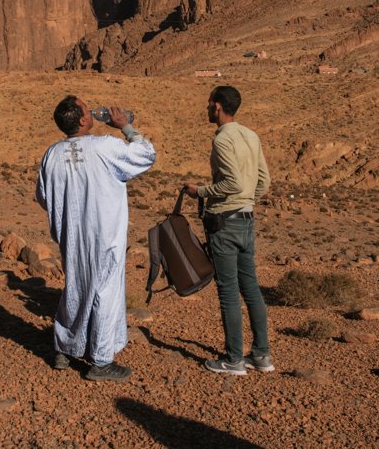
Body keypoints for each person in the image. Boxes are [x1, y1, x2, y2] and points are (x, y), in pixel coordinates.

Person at [35, 95, 156, 382]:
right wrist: (125, 127)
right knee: (105, 291)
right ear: (82, 120)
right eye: (89, 110)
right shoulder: (105, 146)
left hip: (72, 235)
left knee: (75, 284)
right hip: (104, 235)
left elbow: (43, 197)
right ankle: (101, 361)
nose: (94, 112)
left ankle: (65, 347)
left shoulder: (51, 154)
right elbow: (146, 154)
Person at [184, 85, 272, 375]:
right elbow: (263, 182)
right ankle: (261, 355)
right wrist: (246, 200)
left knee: (229, 292)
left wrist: (201, 191)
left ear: (218, 106)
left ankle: (233, 359)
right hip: (246, 219)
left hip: (225, 221)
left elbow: (232, 183)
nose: (208, 108)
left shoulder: (223, 139)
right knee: (251, 287)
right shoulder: (251, 135)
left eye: (210, 103)